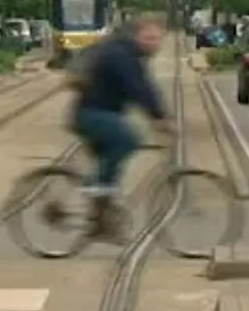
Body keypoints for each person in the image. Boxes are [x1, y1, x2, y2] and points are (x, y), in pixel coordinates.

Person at [67, 17, 175, 241]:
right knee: (128, 140)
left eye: (158, 38)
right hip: (91, 115)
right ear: (137, 36)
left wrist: (161, 115)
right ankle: (96, 192)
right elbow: (138, 88)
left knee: (114, 161)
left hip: (101, 114)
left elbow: (147, 87)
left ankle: (101, 218)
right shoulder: (122, 55)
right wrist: (160, 118)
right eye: (149, 37)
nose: (155, 43)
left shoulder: (132, 56)